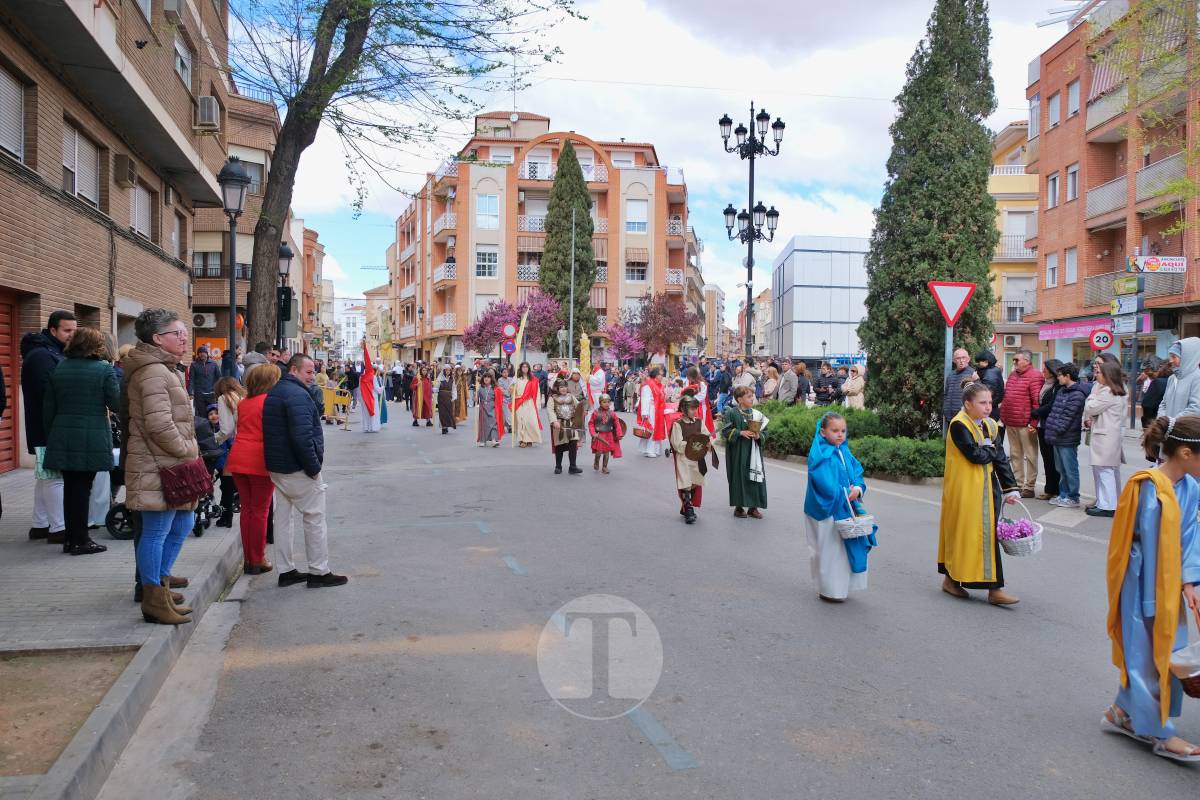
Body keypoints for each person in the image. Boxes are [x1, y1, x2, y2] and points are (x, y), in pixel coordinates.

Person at [1101, 415, 1200, 761]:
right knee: (1145, 656)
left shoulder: (1191, 488)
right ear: (1186, 453)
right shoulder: (1146, 486)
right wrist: (1146, 595)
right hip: (1141, 585)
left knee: (1169, 652)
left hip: (1170, 585)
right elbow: (1129, 545)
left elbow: (1190, 539)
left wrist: (1189, 580)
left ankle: (1121, 712)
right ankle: (1159, 732)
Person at [122, 309, 201, 625]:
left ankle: (161, 583)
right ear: (157, 339)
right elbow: (159, 425)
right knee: (156, 530)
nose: (184, 338)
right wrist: (187, 451)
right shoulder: (154, 372)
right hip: (159, 464)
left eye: (184, 333)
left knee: (183, 522)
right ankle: (153, 597)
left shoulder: (164, 368)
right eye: (177, 333)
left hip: (171, 463)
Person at [263, 354, 347, 589]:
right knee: (314, 517)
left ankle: (286, 569)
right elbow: (302, 437)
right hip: (296, 467)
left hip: (278, 466)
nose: (312, 376)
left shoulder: (276, 392)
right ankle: (319, 571)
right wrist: (312, 467)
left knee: (283, 517)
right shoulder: (297, 395)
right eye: (308, 372)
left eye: (313, 371)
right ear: (293, 370)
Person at [938, 381, 1021, 605]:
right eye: (982, 403)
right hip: (964, 491)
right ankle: (951, 580)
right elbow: (976, 456)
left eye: (990, 402)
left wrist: (1010, 489)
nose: (988, 407)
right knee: (963, 535)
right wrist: (990, 450)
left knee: (987, 537)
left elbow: (999, 457)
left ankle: (994, 589)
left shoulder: (991, 425)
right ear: (968, 404)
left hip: (987, 488)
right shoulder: (959, 425)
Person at [41, 327, 119, 556]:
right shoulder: (103, 369)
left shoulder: (61, 367)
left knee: (71, 488)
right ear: (96, 346)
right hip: (91, 435)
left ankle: (70, 538)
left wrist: (52, 435)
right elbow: (115, 403)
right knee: (83, 488)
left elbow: (48, 408)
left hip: (62, 434)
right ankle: (81, 540)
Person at [804, 412, 877, 601]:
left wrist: (858, 489)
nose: (840, 434)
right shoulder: (819, 454)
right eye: (834, 430)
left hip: (844, 506)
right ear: (822, 432)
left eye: (843, 430)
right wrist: (844, 492)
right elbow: (824, 482)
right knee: (828, 549)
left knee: (843, 550)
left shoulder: (844, 451)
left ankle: (840, 586)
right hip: (826, 510)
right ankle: (829, 589)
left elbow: (857, 472)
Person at [21, 310, 76, 543]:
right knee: (54, 477)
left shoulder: (52, 353)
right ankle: (58, 528)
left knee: (45, 476)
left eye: (75, 330)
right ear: (53, 330)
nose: (72, 335)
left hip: (48, 426)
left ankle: (40, 524)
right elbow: (48, 393)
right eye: (67, 330)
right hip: (47, 428)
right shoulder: (42, 356)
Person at [226, 363, 279, 575]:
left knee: (247, 511)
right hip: (258, 460)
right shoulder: (269, 403)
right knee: (260, 511)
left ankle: (249, 558)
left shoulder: (244, 402)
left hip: (239, 457)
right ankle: (258, 559)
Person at [1085, 360, 1128, 517]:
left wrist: (1091, 397)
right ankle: (1104, 503)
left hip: (1106, 436)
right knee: (1103, 470)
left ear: (1107, 375)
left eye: (1099, 373)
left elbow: (1091, 407)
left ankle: (1108, 505)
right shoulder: (1109, 390)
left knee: (1105, 471)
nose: (1096, 375)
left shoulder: (1108, 391)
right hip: (1106, 435)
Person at [999, 350, 1044, 499]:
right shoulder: (1013, 375)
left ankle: (1029, 486)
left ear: (1027, 360)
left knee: (1030, 455)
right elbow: (1007, 396)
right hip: (1011, 421)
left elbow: (1036, 402)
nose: (1014, 362)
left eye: (1017, 360)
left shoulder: (1035, 375)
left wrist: (1033, 422)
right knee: (1015, 454)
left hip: (1025, 423)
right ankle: (1017, 484)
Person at [722, 385, 769, 519]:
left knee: (755, 476)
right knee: (740, 477)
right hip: (738, 452)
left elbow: (765, 431)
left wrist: (759, 436)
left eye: (752, 396)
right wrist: (739, 432)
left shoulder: (757, 414)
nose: (752, 398)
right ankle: (739, 507)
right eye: (748, 396)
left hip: (754, 451)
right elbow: (725, 431)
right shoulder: (732, 413)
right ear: (740, 399)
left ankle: (753, 507)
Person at [1045, 363, 1088, 509]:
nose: (1058, 378)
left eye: (1060, 375)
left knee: (1070, 468)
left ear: (1067, 376)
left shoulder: (1077, 394)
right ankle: (1063, 495)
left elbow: (1068, 417)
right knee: (1061, 468)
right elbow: (1054, 412)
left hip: (1067, 438)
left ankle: (1073, 496)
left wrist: (1055, 428)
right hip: (1057, 436)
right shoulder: (1063, 391)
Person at [669, 394, 713, 523]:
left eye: (695, 408)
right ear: (683, 409)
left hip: (697, 458)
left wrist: (708, 443)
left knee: (694, 482)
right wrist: (692, 444)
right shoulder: (678, 424)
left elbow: (706, 436)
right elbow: (677, 443)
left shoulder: (699, 422)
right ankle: (688, 509)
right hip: (684, 458)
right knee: (686, 482)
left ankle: (686, 507)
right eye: (692, 408)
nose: (695, 411)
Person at [1029, 359, 1064, 501]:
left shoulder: (1058, 386)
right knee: (1047, 459)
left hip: (1051, 425)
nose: (1043, 371)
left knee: (1054, 460)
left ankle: (1057, 490)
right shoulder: (1045, 384)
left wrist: (1035, 412)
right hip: (1042, 426)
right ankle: (1049, 490)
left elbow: (1051, 405)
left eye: (1045, 369)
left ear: (1052, 371)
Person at [213, 376, 245, 527]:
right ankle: (228, 515)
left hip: (238, 444)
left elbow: (226, 429)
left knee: (227, 480)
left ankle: (226, 517)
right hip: (249, 441)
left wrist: (214, 440)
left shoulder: (224, 398)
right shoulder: (242, 395)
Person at [549, 380, 582, 475]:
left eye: (565, 387)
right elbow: (550, 410)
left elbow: (579, 406)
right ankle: (558, 466)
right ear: (557, 388)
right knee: (559, 446)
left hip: (571, 424)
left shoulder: (571, 397)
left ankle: (573, 467)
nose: (563, 389)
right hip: (559, 424)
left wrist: (583, 409)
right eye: (561, 387)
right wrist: (554, 421)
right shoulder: (553, 398)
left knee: (573, 444)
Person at [1162, 338, 1200, 418]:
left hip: (1185, 429)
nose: (1170, 360)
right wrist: (1161, 421)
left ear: (1186, 357)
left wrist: (1171, 423)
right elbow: (1163, 404)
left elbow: (1195, 409)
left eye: (1174, 357)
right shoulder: (1172, 378)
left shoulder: (1197, 377)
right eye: (1170, 356)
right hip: (1168, 428)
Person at [589, 393, 623, 473]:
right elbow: (591, 424)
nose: (606, 404)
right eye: (604, 402)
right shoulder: (595, 413)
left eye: (608, 402)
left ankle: (604, 467)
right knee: (599, 452)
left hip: (609, 435)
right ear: (600, 403)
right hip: (599, 435)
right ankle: (596, 461)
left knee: (606, 452)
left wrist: (619, 433)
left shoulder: (612, 413)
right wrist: (593, 433)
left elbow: (617, 424)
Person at [637, 366, 668, 458]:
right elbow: (645, 399)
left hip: (658, 410)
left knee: (657, 429)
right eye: (660, 374)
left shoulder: (659, 385)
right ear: (655, 375)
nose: (662, 376)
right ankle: (649, 450)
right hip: (651, 410)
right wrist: (645, 413)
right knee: (651, 429)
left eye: (662, 374)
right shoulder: (649, 385)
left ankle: (655, 449)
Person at [512, 362, 543, 447]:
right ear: (520, 368)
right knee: (521, 421)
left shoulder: (533, 379)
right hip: (519, 402)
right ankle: (522, 440)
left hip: (529, 402)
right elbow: (511, 392)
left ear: (529, 368)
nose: (525, 368)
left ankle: (530, 439)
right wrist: (512, 384)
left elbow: (537, 392)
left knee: (530, 421)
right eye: (523, 367)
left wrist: (538, 404)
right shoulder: (517, 379)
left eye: (526, 367)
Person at [941, 348, 974, 423]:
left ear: (968, 359)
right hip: (950, 416)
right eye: (958, 358)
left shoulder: (973, 374)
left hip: (964, 417)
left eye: (963, 358)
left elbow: (975, 397)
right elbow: (946, 394)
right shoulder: (951, 375)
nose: (961, 361)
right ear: (954, 360)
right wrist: (945, 409)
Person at [188, 345, 221, 418]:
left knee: (213, 414)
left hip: (211, 394)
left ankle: (213, 428)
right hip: (199, 394)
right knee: (202, 415)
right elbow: (191, 379)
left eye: (204, 352)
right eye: (200, 352)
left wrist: (219, 391)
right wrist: (190, 392)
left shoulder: (214, 364)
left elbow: (219, 378)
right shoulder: (194, 365)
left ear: (207, 353)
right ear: (198, 354)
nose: (202, 354)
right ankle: (203, 428)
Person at [475, 370, 504, 447]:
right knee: (483, 424)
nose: (486, 379)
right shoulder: (480, 388)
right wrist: (475, 397)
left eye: (488, 377)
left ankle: (494, 440)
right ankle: (483, 440)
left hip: (493, 408)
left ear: (491, 379)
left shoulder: (495, 388)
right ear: (483, 379)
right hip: (483, 408)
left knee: (494, 423)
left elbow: (500, 397)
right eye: (485, 377)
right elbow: (476, 400)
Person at [974, 350, 1005, 420]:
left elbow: (985, 392)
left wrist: (976, 380)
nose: (977, 364)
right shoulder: (990, 370)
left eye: (979, 361)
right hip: (990, 408)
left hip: (989, 410)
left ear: (986, 362)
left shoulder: (990, 374)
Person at [1141, 361, 1172, 429]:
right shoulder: (1180, 383)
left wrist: (1148, 423)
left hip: (1159, 422)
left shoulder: (1158, 382)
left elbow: (1147, 404)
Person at [361, 365, 384, 433]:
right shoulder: (373, 377)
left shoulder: (362, 377)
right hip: (372, 397)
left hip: (364, 397)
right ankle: (373, 427)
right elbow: (377, 389)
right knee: (373, 412)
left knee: (365, 413)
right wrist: (382, 388)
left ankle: (366, 427)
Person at [436, 365, 457, 434]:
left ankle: (447, 426)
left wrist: (454, 397)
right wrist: (434, 389)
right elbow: (436, 388)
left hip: (448, 397)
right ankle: (443, 427)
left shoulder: (452, 379)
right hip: (441, 397)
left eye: (449, 370)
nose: (448, 371)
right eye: (446, 370)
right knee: (442, 413)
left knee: (448, 412)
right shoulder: (440, 379)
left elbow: (454, 389)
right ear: (444, 371)